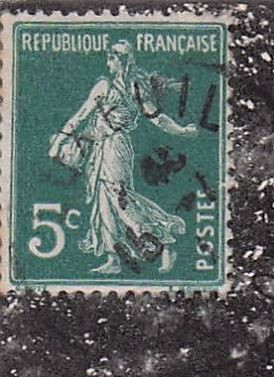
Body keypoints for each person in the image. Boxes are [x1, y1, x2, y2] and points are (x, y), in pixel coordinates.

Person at [49, 41, 198, 275]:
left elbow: (156, 117)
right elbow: (82, 116)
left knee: (120, 198)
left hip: (117, 147)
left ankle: (165, 242)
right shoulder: (105, 85)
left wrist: (181, 131)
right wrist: (61, 140)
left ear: (121, 61)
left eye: (112, 58)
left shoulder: (134, 87)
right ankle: (113, 258)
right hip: (99, 148)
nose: (108, 63)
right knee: (104, 203)